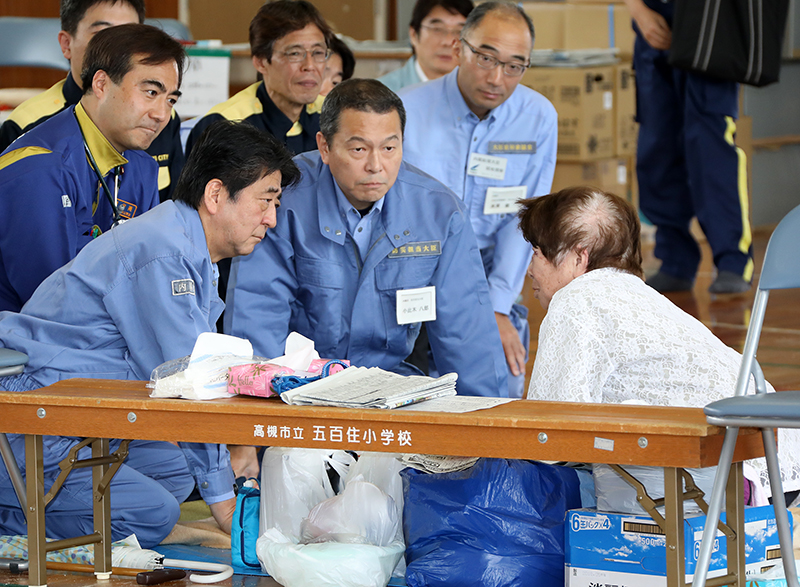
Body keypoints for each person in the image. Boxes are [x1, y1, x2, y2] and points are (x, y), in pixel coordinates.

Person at [0, 120, 300, 547]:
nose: (271, 218)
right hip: (29, 411)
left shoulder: (187, 245)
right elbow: (193, 382)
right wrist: (223, 503)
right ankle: (14, 524)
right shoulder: (163, 252)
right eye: (264, 201)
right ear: (215, 195)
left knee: (175, 470)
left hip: (77, 410)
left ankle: (132, 523)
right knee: (155, 508)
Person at [225, 78, 508, 398]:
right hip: (300, 389)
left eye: (389, 148)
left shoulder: (438, 212)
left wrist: (488, 437)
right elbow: (258, 317)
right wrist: (253, 434)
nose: (376, 166)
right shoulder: (283, 201)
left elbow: (468, 338)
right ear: (325, 147)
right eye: (359, 149)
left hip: (391, 386)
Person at [518, 186, 800, 496]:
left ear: (578, 257)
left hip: (727, 475)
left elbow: (547, 437)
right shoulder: (641, 294)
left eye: (537, 253)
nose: (530, 270)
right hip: (779, 462)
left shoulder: (575, 300)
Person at [400, 0, 557, 397]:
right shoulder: (407, 108)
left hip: (490, 278)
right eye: (486, 58)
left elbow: (524, 218)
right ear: (459, 49)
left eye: (514, 66)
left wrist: (496, 307)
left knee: (498, 389)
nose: (498, 77)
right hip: (414, 274)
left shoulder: (538, 116)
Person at [0, 24, 185, 313]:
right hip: (25, 340)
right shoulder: (39, 168)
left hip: (99, 330)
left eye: (170, 99)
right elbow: (51, 303)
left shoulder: (142, 167)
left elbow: (148, 270)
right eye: (151, 92)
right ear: (101, 84)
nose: (162, 114)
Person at [623, 0, 752, 294]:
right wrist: (639, 12)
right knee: (656, 148)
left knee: (710, 149)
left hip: (711, 24)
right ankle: (675, 261)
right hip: (653, 24)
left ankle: (733, 261)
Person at [0, 0, 185, 203]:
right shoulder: (29, 126)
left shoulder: (161, 117)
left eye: (129, 35)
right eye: (102, 35)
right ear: (66, 44)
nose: (118, 48)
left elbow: (171, 211)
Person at [185, 0, 333, 157]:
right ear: (261, 62)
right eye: (295, 53)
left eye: (318, 53)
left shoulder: (334, 116)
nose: (310, 66)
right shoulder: (223, 127)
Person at [378, 0, 473, 93]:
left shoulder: (481, 93)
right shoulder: (381, 93)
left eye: (460, 31)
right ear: (413, 35)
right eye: (437, 29)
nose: (448, 42)